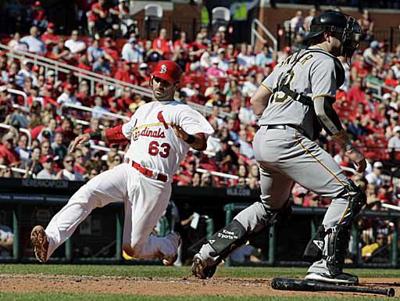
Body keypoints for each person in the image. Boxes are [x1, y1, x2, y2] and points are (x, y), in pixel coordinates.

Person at [192, 11, 367, 285]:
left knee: (269, 206)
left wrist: (274, 125)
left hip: (264, 137)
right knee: (349, 194)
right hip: (288, 137)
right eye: (343, 34)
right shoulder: (326, 61)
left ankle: (209, 251)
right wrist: (350, 149)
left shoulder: (291, 59)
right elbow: (323, 110)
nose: (348, 40)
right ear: (327, 34)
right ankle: (324, 266)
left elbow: (257, 99)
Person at [30, 60, 214, 265]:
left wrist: (187, 138)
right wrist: (92, 135)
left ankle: (169, 244)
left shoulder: (182, 111)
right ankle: (50, 241)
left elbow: (201, 142)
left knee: (133, 248)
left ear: (175, 85)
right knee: (87, 193)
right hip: (128, 170)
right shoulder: (144, 109)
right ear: (151, 79)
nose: (160, 85)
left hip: (155, 182)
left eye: (166, 82)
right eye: (157, 80)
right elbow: (121, 133)